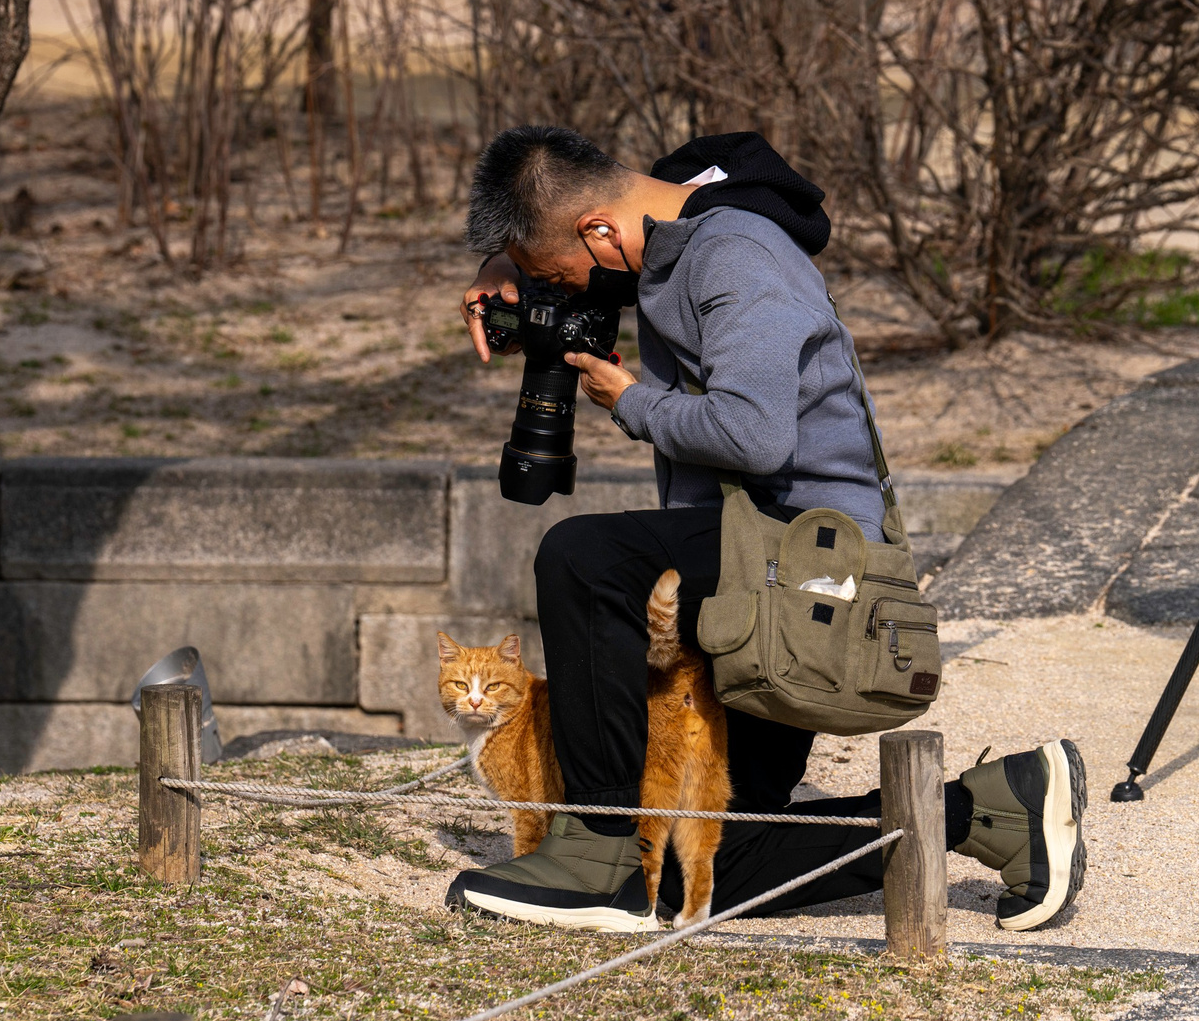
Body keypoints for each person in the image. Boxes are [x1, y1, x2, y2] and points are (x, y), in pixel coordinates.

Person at [446, 125, 1088, 933]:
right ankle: (989, 808)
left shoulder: (736, 257)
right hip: (749, 568)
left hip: (809, 568)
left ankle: (597, 851)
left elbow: (755, 436)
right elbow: (579, 219)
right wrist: (509, 267)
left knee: (584, 558)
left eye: (562, 276)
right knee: (690, 868)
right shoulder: (673, 212)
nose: (572, 294)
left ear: (601, 233)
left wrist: (632, 401)